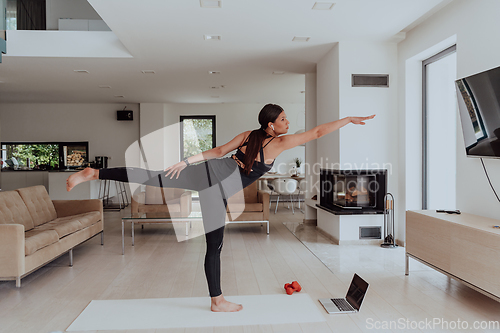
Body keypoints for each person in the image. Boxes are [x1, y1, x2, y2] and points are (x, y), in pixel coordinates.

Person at [66, 104, 375, 312]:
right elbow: (318, 133)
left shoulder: (249, 136)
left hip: (208, 173)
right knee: (213, 248)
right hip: (215, 189)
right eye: (283, 119)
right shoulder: (278, 143)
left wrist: (187, 161)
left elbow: (217, 151)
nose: (288, 123)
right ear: (271, 124)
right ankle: (217, 301)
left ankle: (94, 173)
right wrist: (347, 120)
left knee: (152, 177)